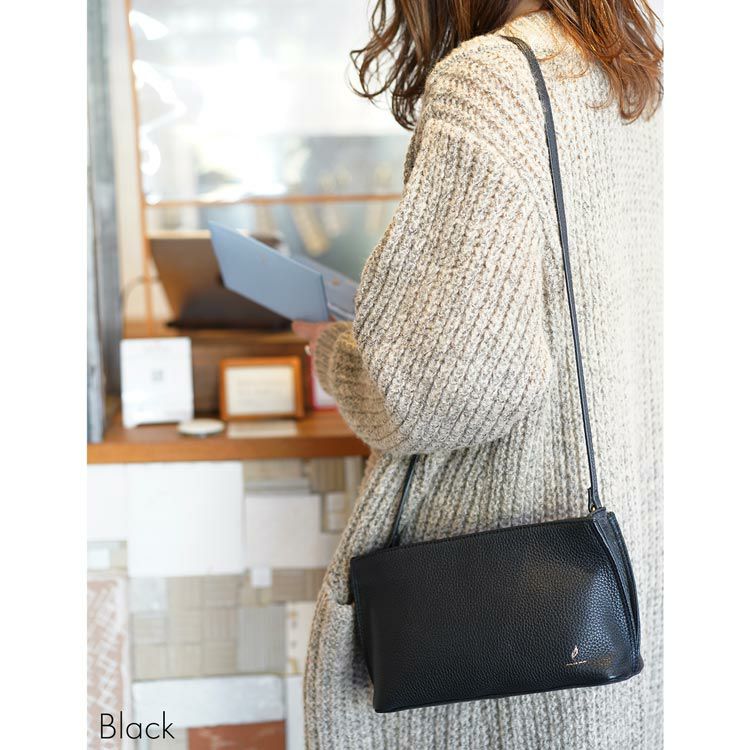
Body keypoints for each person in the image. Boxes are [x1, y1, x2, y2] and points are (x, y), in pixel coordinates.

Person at [293, 1, 663, 747]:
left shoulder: (492, 79)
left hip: (502, 643)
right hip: (613, 588)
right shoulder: (623, 74)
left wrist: (334, 350)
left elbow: (440, 388)